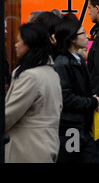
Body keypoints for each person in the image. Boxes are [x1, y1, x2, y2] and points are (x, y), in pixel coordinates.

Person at [5, 23, 62, 162]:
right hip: (47, 144)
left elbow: (10, 113)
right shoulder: (51, 73)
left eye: (19, 41)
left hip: (27, 148)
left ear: (30, 45)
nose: (16, 45)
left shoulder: (31, 76)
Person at [53, 16, 99, 163]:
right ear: (72, 39)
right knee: (72, 159)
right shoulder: (62, 63)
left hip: (81, 126)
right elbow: (66, 98)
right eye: (83, 33)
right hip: (71, 128)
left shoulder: (78, 59)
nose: (86, 36)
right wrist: (92, 102)